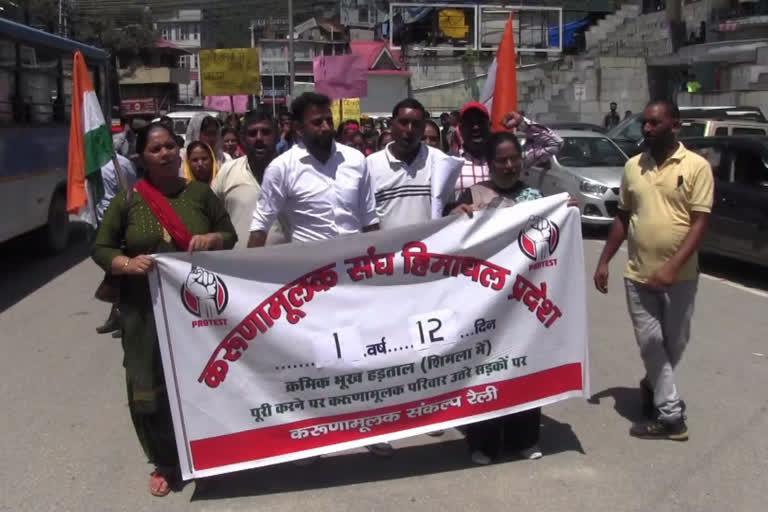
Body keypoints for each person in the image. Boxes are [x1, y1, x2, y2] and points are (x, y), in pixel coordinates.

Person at [92, 122, 237, 497]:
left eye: (171, 146)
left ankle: (208, 454)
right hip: (144, 310)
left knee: (204, 381)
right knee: (149, 386)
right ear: (143, 157)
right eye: (156, 149)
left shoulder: (201, 194)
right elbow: (102, 247)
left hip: (197, 311)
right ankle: (167, 461)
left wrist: (214, 238)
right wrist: (125, 265)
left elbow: (230, 234)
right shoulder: (129, 199)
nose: (166, 154)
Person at [446, 130, 572, 465]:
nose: (509, 165)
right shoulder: (471, 195)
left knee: (524, 363)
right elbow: (447, 239)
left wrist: (566, 213)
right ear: (490, 164)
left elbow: (552, 236)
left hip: (524, 300)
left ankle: (525, 438)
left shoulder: (535, 197)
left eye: (514, 158)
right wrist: (455, 215)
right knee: (484, 368)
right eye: (501, 159)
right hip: (481, 300)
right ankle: (482, 442)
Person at [593, 100, 713, 441]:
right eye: (645, 123)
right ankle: (671, 416)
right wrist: (604, 261)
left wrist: (672, 267)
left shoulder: (696, 167)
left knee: (674, 345)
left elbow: (699, 222)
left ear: (674, 125)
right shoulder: (633, 167)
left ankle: (652, 386)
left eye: (654, 123)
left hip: (681, 277)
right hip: (638, 275)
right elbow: (622, 216)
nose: (646, 129)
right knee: (651, 343)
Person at [248, 92, 378, 248]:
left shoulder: (356, 160)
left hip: (354, 264)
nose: (326, 127)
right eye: (317, 122)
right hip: (311, 268)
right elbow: (260, 226)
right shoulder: (281, 168)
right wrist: (246, 270)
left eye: (329, 121)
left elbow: (370, 220)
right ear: (298, 128)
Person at [367, 98, 461, 231]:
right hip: (388, 250)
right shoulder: (371, 165)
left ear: (423, 128)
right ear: (391, 124)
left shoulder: (440, 162)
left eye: (416, 124)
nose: (409, 130)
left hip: (428, 249)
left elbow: (446, 208)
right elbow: (368, 220)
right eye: (403, 123)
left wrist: (456, 213)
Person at [212, 110, 288, 248]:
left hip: (288, 267)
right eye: (252, 133)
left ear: (277, 136)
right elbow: (210, 218)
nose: (259, 138)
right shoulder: (227, 171)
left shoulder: (292, 173)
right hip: (236, 267)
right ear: (243, 139)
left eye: (266, 132)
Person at [454, 102, 563, 196]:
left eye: (480, 122)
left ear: (489, 125)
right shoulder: (451, 165)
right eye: (470, 123)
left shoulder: (510, 160)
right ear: (461, 128)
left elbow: (556, 143)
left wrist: (522, 123)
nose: (476, 128)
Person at [95, 154, 138, 336]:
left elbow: (130, 187)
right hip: (101, 221)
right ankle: (116, 317)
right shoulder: (91, 161)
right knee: (112, 271)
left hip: (120, 221)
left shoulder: (121, 163)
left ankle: (127, 319)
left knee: (124, 272)